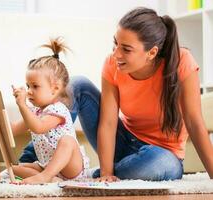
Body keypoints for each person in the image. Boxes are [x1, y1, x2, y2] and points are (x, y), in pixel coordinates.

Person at [19, 7, 213, 181]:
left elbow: (195, 122)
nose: (116, 54)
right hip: (123, 142)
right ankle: (31, 164)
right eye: (116, 44)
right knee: (77, 85)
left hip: (162, 155)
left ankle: (83, 175)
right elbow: (109, 122)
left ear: (152, 53)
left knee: (159, 164)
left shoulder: (182, 61)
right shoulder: (112, 63)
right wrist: (106, 172)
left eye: (126, 49)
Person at [0, 37, 89, 184]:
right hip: (47, 166)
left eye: (35, 86)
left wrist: (22, 105)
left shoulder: (58, 110)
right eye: (28, 86)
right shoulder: (36, 113)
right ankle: (51, 179)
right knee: (13, 168)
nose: (29, 91)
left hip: (71, 169)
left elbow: (38, 127)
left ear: (55, 88)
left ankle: (45, 177)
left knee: (67, 141)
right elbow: (10, 130)